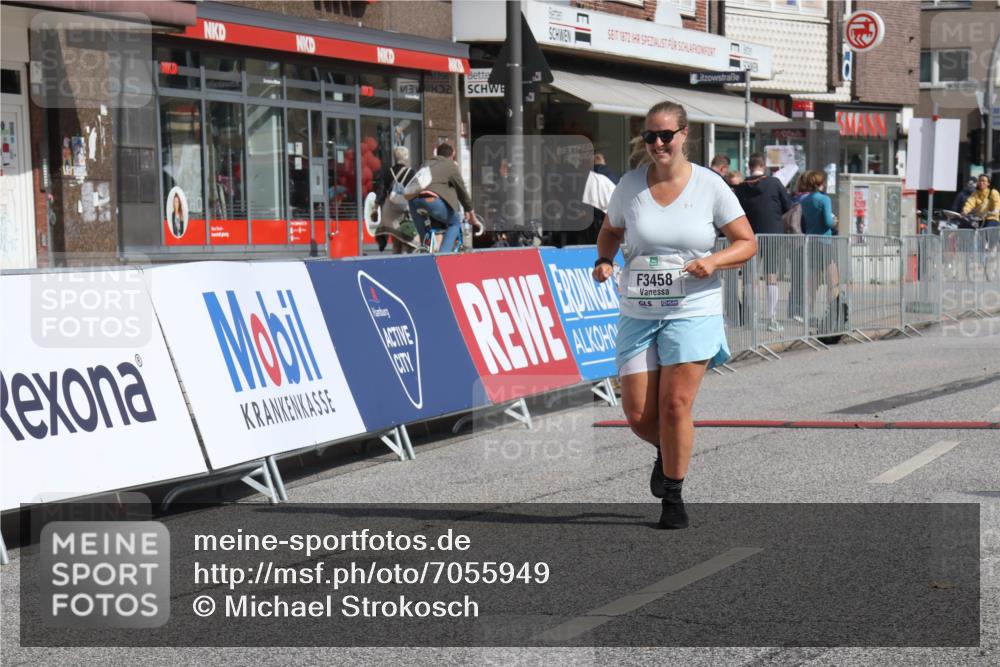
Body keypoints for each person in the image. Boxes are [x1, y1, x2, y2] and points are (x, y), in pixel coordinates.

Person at [592, 101, 756, 529]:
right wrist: (604, 259)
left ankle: (673, 496)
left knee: (675, 405)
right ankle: (667, 451)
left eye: (666, 135)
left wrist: (713, 261)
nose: (658, 143)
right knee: (637, 415)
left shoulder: (710, 185)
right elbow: (610, 230)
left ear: (684, 135)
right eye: (650, 136)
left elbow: (746, 242)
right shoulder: (629, 185)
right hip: (638, 311)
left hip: (692, 308)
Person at [734, 153, 792, 332]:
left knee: (749, 276)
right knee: (771, 275)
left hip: (748, 235)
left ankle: (751, 317)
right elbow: (788, 205)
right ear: (763, 166)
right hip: (772, 233)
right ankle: (771, 318)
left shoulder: (741, 187)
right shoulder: (774, 183)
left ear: (749, 167)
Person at [408, 143, 478, 253]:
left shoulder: (426, 163)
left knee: (425, 237)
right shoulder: (450, 165)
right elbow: (462, 190)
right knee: (455, 223)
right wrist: (470, 212)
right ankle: (443, 256)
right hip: (432, 202)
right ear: (451, 156)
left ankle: (424, 251)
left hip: (414, 201)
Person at [798, 170, 841, 329]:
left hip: (811, 242)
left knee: (813, 281)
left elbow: (803, 223)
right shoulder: (824, 199)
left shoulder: (804, 200)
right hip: (825, 242)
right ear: (820, 184)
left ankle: (809, 313)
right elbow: (828, 222)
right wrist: (835, 221)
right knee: (832, 280)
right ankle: (833, 313)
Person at [373, 146, 418, 253]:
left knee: (396, 241)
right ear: (406, 157)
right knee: (408, 240)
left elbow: (380, 192)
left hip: (390, 209)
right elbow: (415, 191)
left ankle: (396, 258)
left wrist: (375, 209)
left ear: (395, 157)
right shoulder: (411, 173)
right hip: (405, 208)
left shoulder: (387, 172)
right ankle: (408, 259)